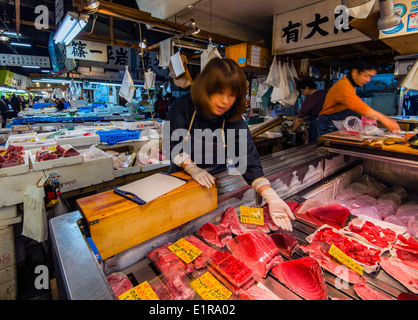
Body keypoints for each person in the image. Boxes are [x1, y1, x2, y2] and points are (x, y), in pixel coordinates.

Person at [164, 58, 295, 231]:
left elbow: (247, 160)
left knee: (206, 227)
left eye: (231, 95)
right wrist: (192, 168)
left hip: (215, 182)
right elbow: (172, 143)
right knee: (178, 228)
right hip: (181, 181)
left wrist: (270, 195)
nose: (225, 101)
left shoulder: (233, 119)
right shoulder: (182, 107)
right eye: (219, 92)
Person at [318, 61, 400, 136]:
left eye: (370, 77)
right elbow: (358, 106)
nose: (368, 80)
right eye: (366, 75)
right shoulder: (343, 86)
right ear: (355, 72)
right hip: (329, 124)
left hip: (336, 123)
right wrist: (384, 119)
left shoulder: (351, 86)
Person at [291, 79, 328, 143]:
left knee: (315, 144)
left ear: (307, 88)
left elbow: (299, 119)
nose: (303, 94)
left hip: (318, 124)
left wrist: (293, 131)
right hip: (330, 124)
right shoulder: (325, 92)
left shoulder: (310, 99)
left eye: (302, 91)